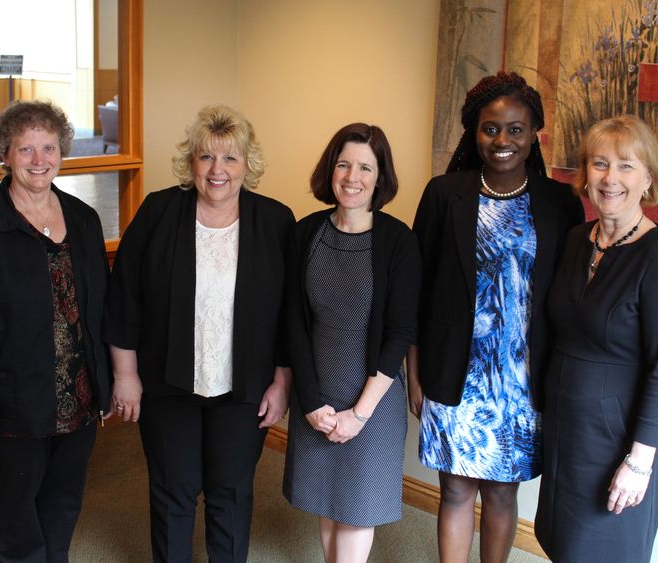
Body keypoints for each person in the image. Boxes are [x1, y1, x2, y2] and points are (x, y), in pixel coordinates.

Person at [104, 104, 294, 563]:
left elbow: (291, 312)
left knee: (231, 494)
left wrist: (283, 382)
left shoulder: (274, 221)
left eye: (229, 158)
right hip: (168, 384)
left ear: (247, 164)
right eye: (206, 157)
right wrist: (125, 375)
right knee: (173, 492)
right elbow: (124, 295)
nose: (217, 170)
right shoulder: (159, 211)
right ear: (191, 162)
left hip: (243, 387)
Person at [409, 71, 584, 562]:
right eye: (490, 128)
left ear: (533, 135)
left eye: (515, 129)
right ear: (474, 132)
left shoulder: (561, 203)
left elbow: (571, 293)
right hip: (454, 371)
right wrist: (414, 371)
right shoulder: (444, 194)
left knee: (504, 494)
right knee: (456, 492)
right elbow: (415, 291)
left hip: (523, 379)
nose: (502, 140)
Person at [0, 100, 111, 562]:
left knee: (62, 504)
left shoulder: (83, 219)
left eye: (49, 147)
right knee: (14, 516)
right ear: (5, 155)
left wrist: (109, 385)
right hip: (13, 408)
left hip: (79, 399)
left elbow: (98, 312)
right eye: (26, 149)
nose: (39, 160)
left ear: (62, 151)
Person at [534, 115, 658, 562]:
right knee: (562, 546)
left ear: (648, 178)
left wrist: (639, 461)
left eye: (626, 166)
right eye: (600, 164)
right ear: (585, 174)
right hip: (568, 431)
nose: (610, 178)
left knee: (605, 552)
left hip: (619, 442)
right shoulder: (574, 242)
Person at [282, 123, 421, 563]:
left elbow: (400, 332)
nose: (352, 176)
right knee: (328, 503)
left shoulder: (399, 241)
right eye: (343, 164)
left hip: (373, 402)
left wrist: (359, 414)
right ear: (331, 169)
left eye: (365, 167)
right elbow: (292, 324)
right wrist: (309, 401)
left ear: (380, 177)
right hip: (316, 398)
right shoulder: (306, 234)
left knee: (358, 511)